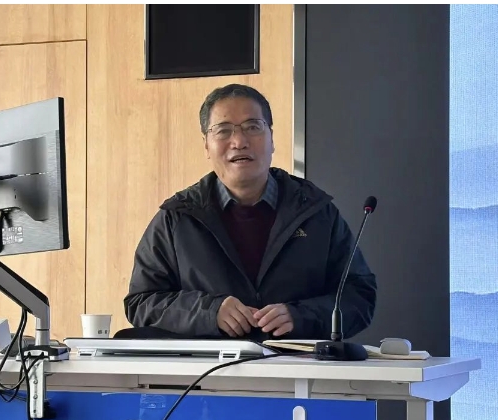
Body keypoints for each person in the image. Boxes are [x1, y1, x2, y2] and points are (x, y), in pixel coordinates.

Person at [123, 84, 376, 340]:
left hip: (295, 363)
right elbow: (141, 302)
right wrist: (208, 312)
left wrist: (301, 316)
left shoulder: (316, 212)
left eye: (253, 127)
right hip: (211, 364)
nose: (239, 142)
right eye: (223, 130)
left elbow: (359, 296)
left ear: (271, 138)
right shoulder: (177, 217)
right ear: (206, 145)